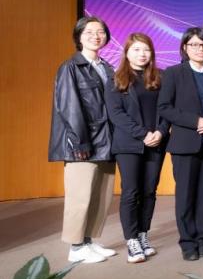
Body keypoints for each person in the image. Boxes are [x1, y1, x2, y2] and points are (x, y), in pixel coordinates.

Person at [50, 16, 117, 264]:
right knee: (80, 197)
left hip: (107, 141)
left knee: (101, 195)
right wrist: (80, 142)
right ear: (78, 36)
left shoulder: (106, 67)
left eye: (100, 32)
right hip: (83, 143)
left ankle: (88, 241)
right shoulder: (70, 67)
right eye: (89, 32)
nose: (95, 36)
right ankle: (76, 247)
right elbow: (69, 108)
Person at [158, 27, 203, 261]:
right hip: (185, 143)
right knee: (185, 194)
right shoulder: (174, 73)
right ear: (185, 47)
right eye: (194, 44)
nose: (199, 49)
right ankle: (187, 242)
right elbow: (165, 108)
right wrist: (196, 121)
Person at [106, 33, 168, 263]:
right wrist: (143, 134)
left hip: (156, 142)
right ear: (127, 53)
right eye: (136, 50)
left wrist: (160, 131)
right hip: (129, 144)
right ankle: (131, 239)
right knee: (131, 192)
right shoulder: (116, 79)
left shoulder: (161, 77)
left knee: (149, 191)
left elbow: (167, 108)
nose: (142, 54)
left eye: (146, 50)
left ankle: (143, 234)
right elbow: (116, 114)